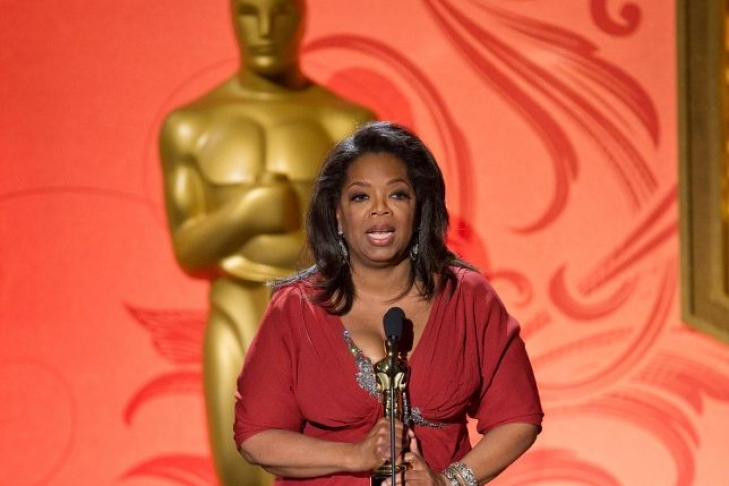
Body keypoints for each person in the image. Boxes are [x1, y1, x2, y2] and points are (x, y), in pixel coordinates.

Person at [234, 121, 543, 485]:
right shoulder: (296, 308)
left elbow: (518, 418)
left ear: (419, 208)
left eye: (397, 195)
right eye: (360, 197)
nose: (380, 210)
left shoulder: (467, 297)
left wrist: (449, 481)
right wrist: (355, 456)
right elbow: (257, 438)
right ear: (337, 214)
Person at [158, 0, 374, 484]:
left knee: (328, 466)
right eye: (249, 12)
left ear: (302, 15)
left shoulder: (345, 123)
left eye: (280, 13)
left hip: (323, 309)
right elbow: (188, 251)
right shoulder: (191, 126)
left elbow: (372, 239)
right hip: (237, 307)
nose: (264, 29)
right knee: (238, 467)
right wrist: (246, 213)